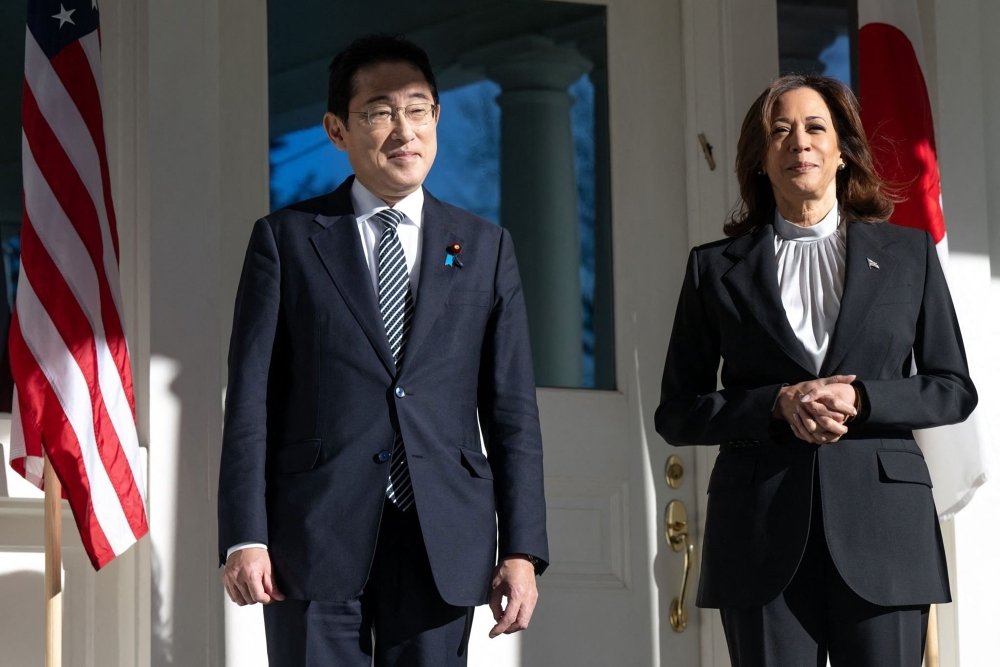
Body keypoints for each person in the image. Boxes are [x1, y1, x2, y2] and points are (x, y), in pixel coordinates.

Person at [217, 33, 548, 667]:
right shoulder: (286, 241)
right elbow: (251, 400)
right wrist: (244, 537)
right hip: (311, 537)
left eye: (419, 109)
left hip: (442, 539)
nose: (404, 131)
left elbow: (513, 412)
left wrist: (523, 548)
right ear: (337, 130)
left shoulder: (485, 247)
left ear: (437, 120)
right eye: (378, 112)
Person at [655, 73, 977, 666]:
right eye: (779, 131)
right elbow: (677, 410)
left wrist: (865, 402)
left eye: (814, 127)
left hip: (885, 534)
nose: (798, 142)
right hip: (758, 537)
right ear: (759, 160)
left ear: (842, 151)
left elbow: (952, 390)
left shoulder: (908, 256)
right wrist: (774, 404)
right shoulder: (713, 269)